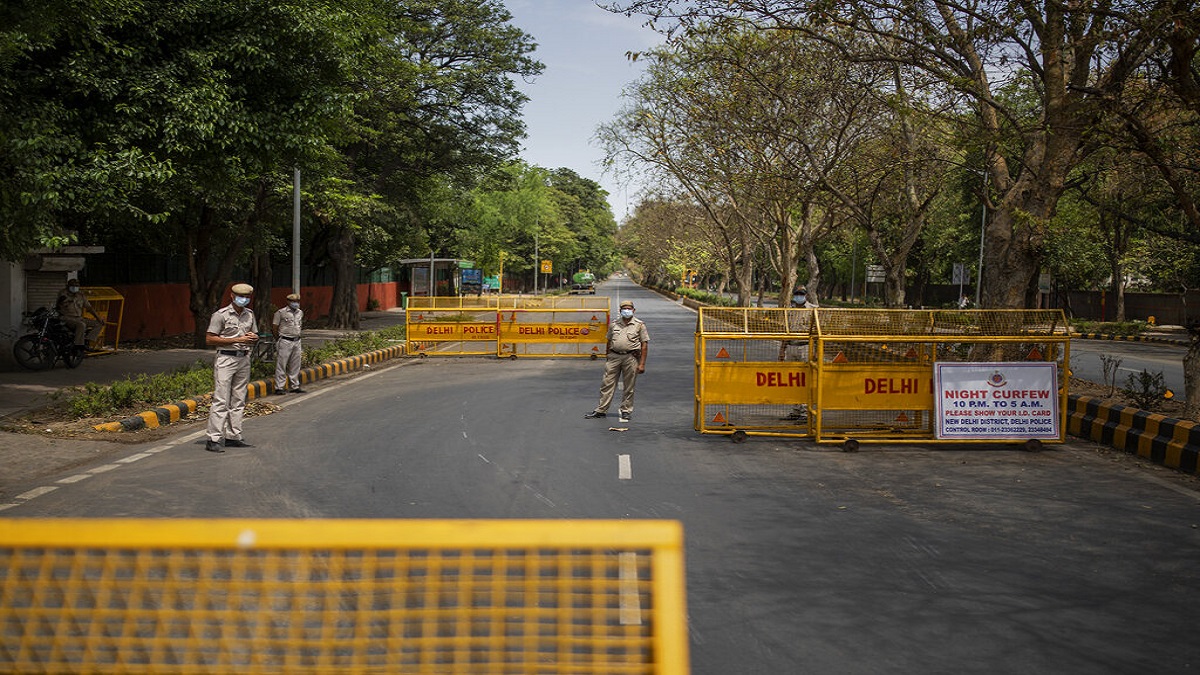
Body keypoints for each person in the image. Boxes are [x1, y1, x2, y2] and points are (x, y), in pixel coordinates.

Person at [204, 283, 259, 453]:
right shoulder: (220, 315)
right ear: (232, 296)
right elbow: (210, 339)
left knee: (239, 399)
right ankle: (213, 438)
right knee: (221, 399)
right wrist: (238, 340)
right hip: (226, 358)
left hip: (244, 359)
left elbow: (254, 334)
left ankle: (233, 435)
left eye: (247, 297)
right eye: (241, 296)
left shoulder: (249, 314)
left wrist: (253, 337)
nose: (244, 300)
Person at [584, 299, 649, 424]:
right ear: (620, 311)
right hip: (614, 357)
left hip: (631, 357)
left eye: (629, 309)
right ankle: (601, 410)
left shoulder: (639, 325)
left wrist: (642, 364)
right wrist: (608, 355)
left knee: (629, 386)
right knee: (607, 384)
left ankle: (626, 410)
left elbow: (644, 345)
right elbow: (608, 340)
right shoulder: (614, 324)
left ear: (634, 311)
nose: (627, 311)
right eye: (624, 309)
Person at [272, 292, 305, 395]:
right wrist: (278, 339)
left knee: (295, 364)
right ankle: (279, 387)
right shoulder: (281, 313)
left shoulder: (300, 312)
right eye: (293, 301)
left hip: (297, 340)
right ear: (288, 302)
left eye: (297, 301)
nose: (296, 303)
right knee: (282, 364)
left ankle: (295, 385)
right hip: (285, 340)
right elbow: (274, 327)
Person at [55, 279, 102, 352]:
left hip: (79, 318)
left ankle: (87, 341)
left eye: (76, 286)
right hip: (66, 318)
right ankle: (78, 345)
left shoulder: (80, 295)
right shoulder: (63, 294)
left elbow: (89, 308)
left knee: (98, 324)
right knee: (81, 325)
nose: (74, 287)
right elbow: (58, 306)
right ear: (68, 286)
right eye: (72, 285)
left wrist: (98, 317)